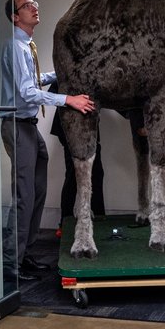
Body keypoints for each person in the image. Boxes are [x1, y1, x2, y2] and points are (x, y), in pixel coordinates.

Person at [0, 0, 94, 282]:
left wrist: (63, 72)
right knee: (24, 196)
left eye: (35, 4)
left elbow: (34, 80)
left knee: (37, 192)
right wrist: (69, 100)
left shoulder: (27, 46)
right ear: (16, 16)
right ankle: (10, 265)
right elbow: (27, 93)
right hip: (16, 124)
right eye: (27, 6)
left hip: (28, 124)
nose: (34, 8)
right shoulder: (16, 47)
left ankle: (25, 254)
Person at [49, 82, 105, 237]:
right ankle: (64, 223)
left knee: (97, 173)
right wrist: (72, 100)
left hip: (89, 130)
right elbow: (53, 95)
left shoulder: (96, 70)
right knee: (74, 176)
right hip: (69, 129)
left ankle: (100, 221)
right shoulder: (68, 68)